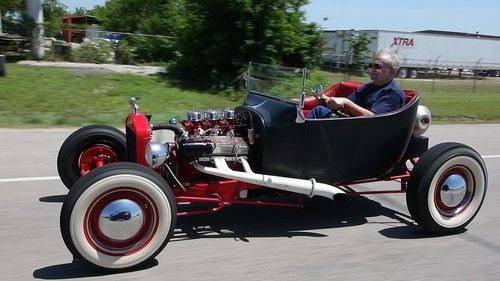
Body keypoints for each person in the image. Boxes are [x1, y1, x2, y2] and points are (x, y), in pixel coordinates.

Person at [307, 49, 405, 118]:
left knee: (319, 111)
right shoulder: (368, 87)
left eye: (377, 67)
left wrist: (346, 102)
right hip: (351, 124)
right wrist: (323, 99)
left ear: (391, 72)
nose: (372, 69)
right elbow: (344, 106)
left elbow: (373, 118)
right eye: (371, 65)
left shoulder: (393, 94)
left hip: (366, 133)